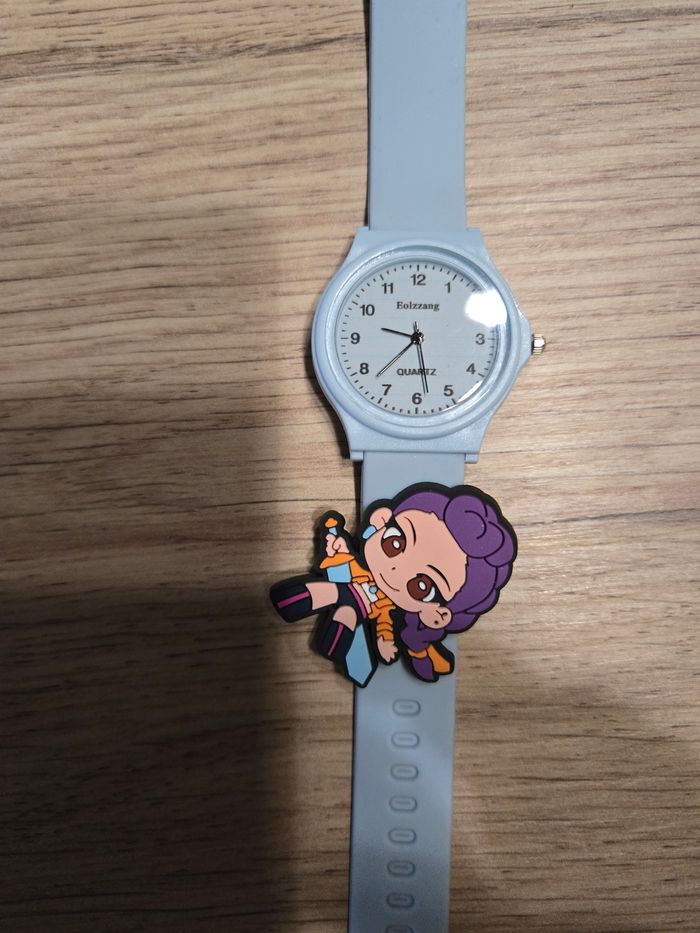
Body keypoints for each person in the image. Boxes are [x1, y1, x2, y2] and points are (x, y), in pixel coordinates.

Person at [270, 484, 516, 683]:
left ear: (436, 615)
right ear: (382, 518)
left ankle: (332, 645)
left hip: (360, 608)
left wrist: (383, 642)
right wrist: (339, 548)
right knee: (324, 591)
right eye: (395, 543)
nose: (396, 569)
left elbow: (384, 623)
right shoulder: (362, 565)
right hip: (347, 587)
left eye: (421, 586)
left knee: (345, 613)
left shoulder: (387, 608)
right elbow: (349, 562)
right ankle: (287, 603)